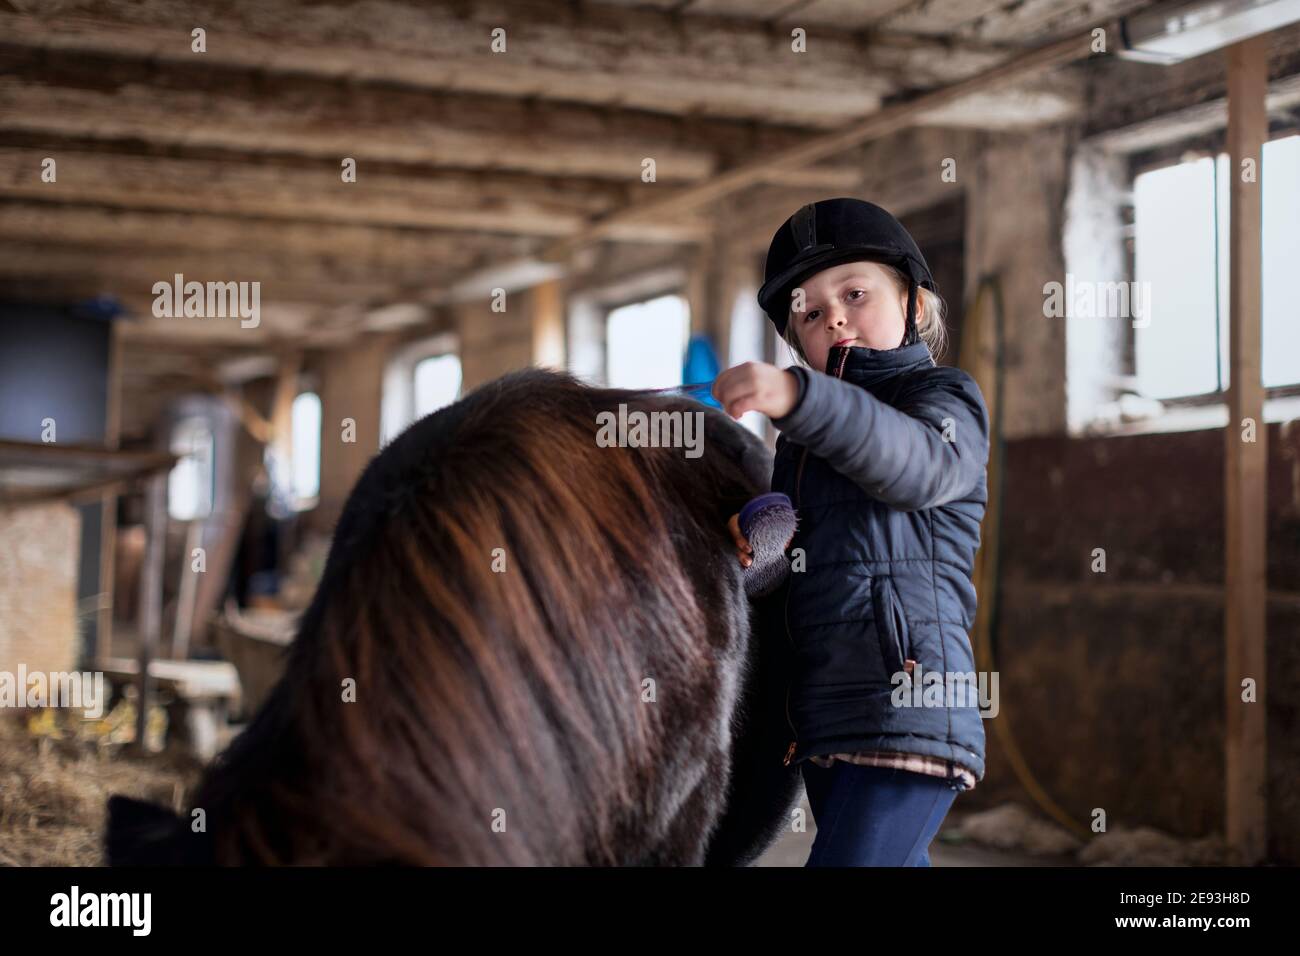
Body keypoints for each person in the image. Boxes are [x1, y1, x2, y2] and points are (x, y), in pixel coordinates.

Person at [712, 198, 990, 867]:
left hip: (909, 702)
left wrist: (799, 400)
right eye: (808, 312)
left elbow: (912, 467)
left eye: (855, 293)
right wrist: (762, 545)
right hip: (826, 713)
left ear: (916, 306)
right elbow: (802, 566)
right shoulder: (801, 447)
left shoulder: (943, 403)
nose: (832, 315)